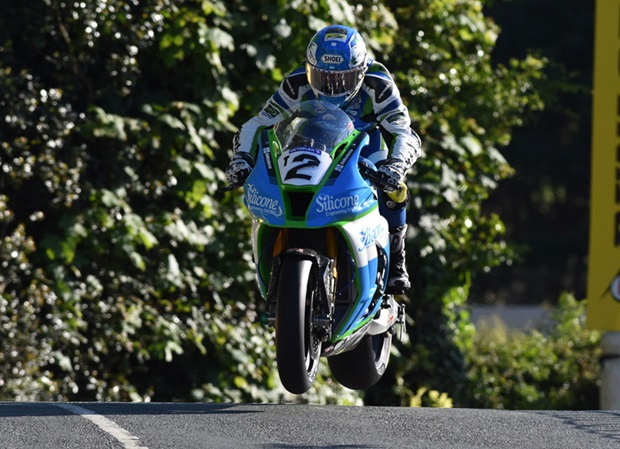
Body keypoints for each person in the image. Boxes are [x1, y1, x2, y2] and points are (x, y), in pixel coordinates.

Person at [225, 24, 422, 294]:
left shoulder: (379, 83)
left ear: (361, 72)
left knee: (392, 186)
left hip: (364, 144)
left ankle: (397, 259)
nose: (332, 88)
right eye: (322, 78)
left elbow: (402, 131)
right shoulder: (296, 82)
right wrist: (242, 158)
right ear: (309, 69)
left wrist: (396, 165)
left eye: (342, 80)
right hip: (314, 142)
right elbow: (259, 123)